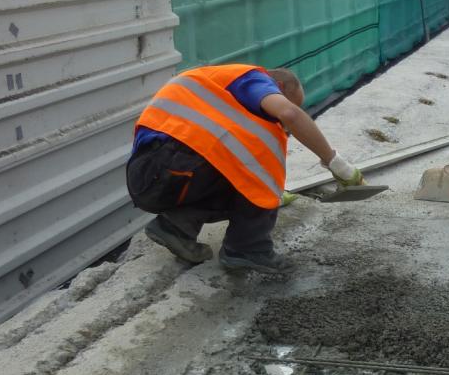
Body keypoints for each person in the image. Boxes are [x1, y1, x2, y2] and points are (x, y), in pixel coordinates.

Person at [126, 63, 365, 274]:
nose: (281, 126)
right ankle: (248, 248)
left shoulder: (213, 88)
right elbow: (290, 113)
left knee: (243, 175)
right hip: (175, 164)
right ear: (278, 85)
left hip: (149, 178)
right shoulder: (252, 78)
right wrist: (335, 163)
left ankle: (176, 226)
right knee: (261, 169)